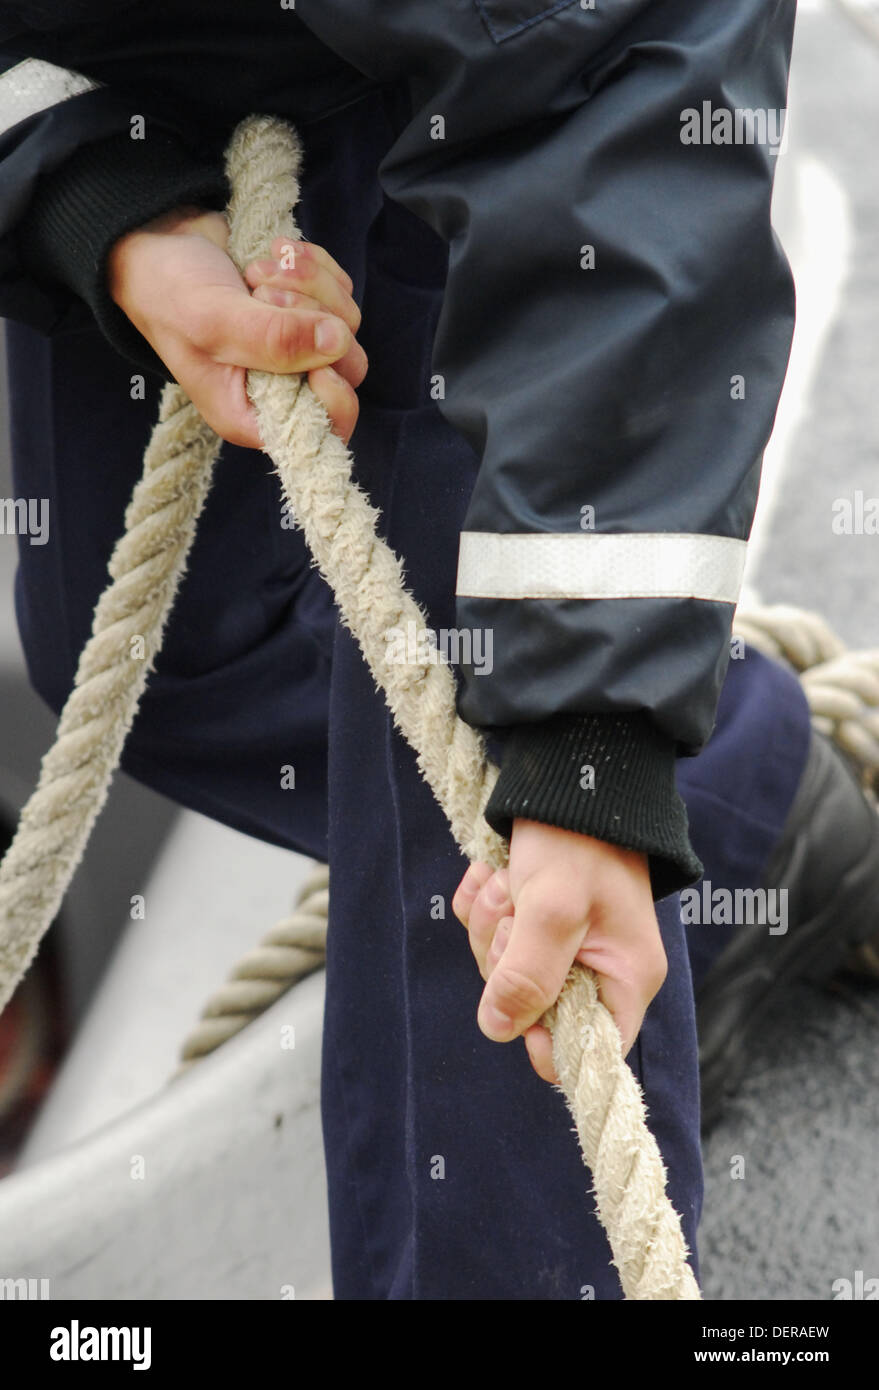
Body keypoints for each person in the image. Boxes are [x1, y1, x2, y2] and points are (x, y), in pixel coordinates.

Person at [2, 0, 878, 1298]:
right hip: (142, 48)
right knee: (176, 653)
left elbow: (607, 86)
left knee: (498, 872)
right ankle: (745, 799)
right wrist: (91, 184)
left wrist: (587, 739)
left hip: (519, 99)